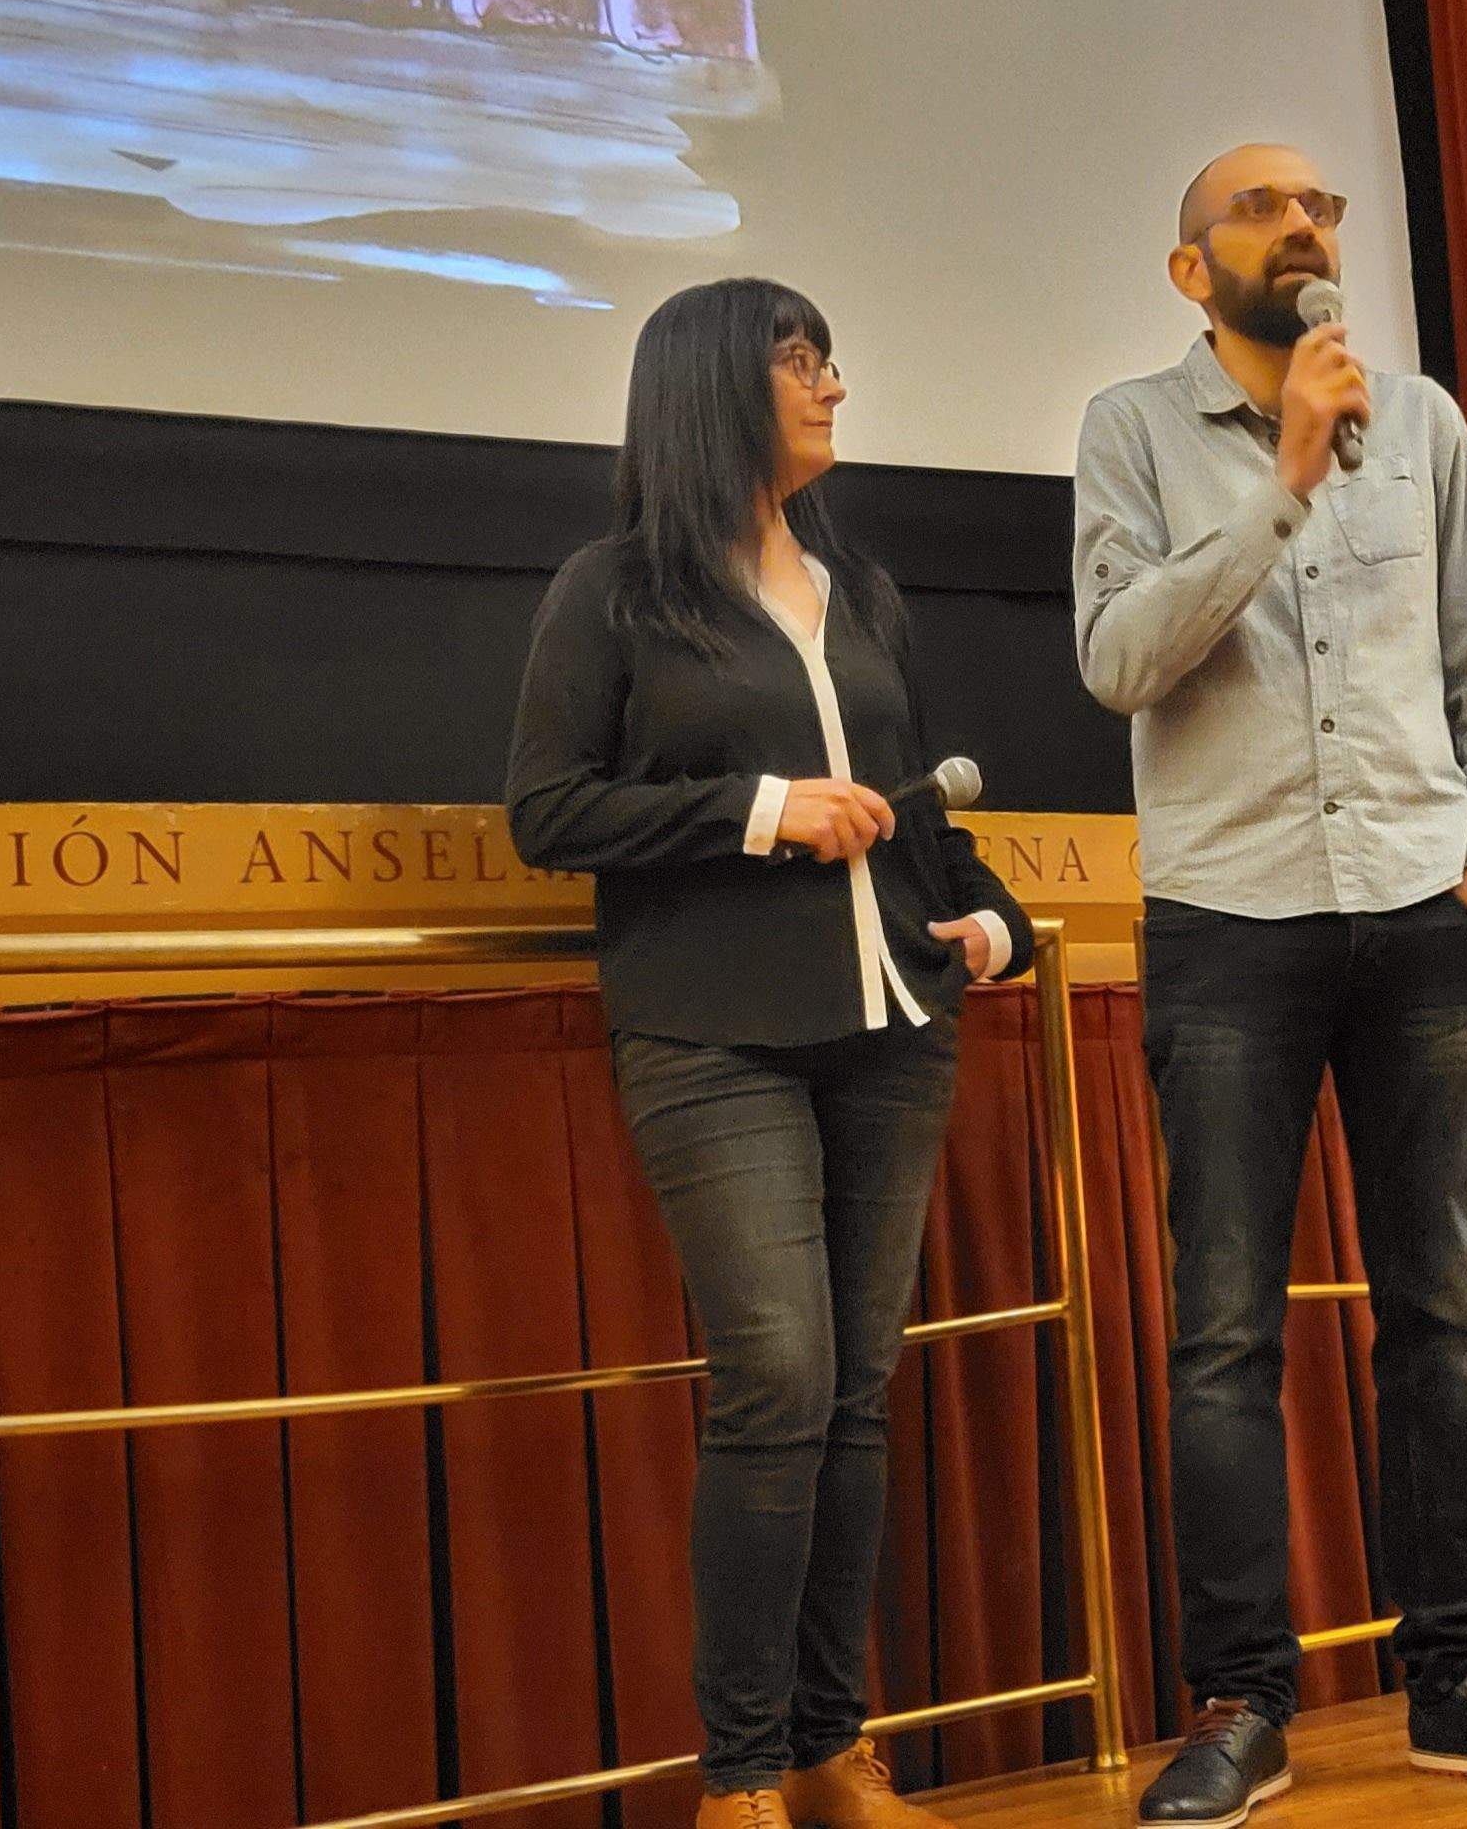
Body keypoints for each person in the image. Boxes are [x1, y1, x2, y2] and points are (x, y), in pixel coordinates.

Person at [1070, 143, 1467, 1824]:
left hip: (1419, 915)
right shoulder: (1131, 431)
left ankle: (1456, 1679)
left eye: (1322, 203)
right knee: (1227, 1337)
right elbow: (1116, 663)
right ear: (1194, 272)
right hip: (1230, 921)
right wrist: (1284, 483)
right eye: (1260, 208)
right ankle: (1242, 1707)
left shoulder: (1433, 424)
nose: (1304, 224)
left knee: (1440, 1314)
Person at [505, 276, 1033, 1829]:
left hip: (897, 1032)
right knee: (780, 1379)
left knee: (857, 1391)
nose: (833, 386)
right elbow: (549, 812)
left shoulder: (859, 588)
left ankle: (828, 1750)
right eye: (801, 360)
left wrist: (988, 917)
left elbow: (916, 809)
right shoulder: (609, 592)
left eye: (829, 358)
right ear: (713, 386)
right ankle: (734, 1779)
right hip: (710, 1036)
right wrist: (760, 810)